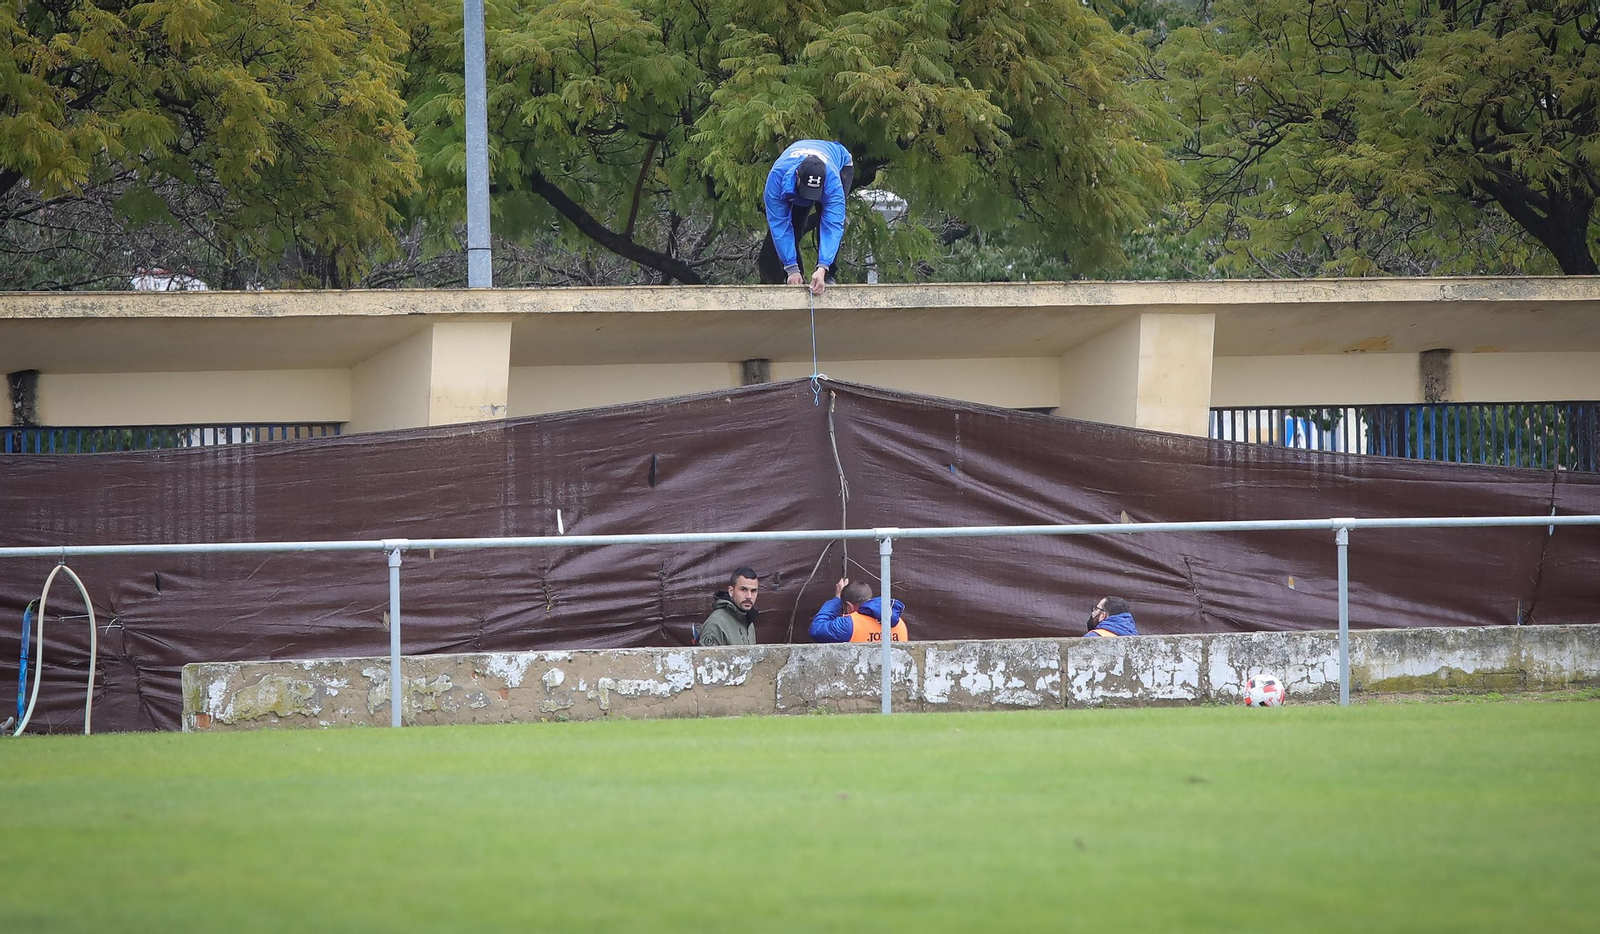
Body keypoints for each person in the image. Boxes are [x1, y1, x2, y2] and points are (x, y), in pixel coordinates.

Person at [759, 140, 855, 294]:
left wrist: (823, 267)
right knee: (794, 224)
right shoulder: (777, 178)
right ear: (797, 175)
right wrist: (791, 268)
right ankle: (795, 276)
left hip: (841, 164)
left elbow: (833, 226)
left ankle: (826, 275)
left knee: (826, 219)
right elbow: (780, 224)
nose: (810, 199)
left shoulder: (833, 183)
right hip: (790, 174)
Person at [810, 578, 908, 643]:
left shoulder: (848, 624)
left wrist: (837, 599)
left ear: (849, 606)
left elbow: (816, 629)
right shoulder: (899, 622)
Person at [697, 567, 761, 646]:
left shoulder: (747, 620)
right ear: (731, 591)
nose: (749, 596)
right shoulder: (716, 624)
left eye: (753, 591)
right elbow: (707, 657)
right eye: (743, 589)